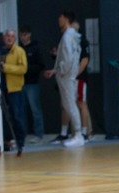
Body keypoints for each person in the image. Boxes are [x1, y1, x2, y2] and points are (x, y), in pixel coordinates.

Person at [44, 11, 84, 148]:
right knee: (69, 104)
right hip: (67, 74)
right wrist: (56, 70)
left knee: (70, 104)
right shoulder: (72, 36)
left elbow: (68, 59)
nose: (58, 20)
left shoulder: (67, 36)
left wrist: (61, 71)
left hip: (66, 75)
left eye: (60, 18)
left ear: (66, 19)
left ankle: (78, 135)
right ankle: (77, 134)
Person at [0, 29, 27, 155]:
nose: (9, 38)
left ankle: (20, 141)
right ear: (4, 38)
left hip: (15, 88)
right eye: (7, 36)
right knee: (4, 116)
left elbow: (23, 69)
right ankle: (6, 140)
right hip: (2, 87)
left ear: (15, 39)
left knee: (17, 115)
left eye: (12, 36)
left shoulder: (19, 51)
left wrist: (6, 68)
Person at [18, 25, 45, 144]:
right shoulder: (18, 49)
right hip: (20, 82)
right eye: (21, 35)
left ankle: (38, 133)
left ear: (29, 34)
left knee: (35, 109)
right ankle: (22, 134)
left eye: (25, 34)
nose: (23, 37)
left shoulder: (35, 48)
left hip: (32, 82)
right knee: (21, 110)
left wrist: (28, 69)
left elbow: (40, 65)